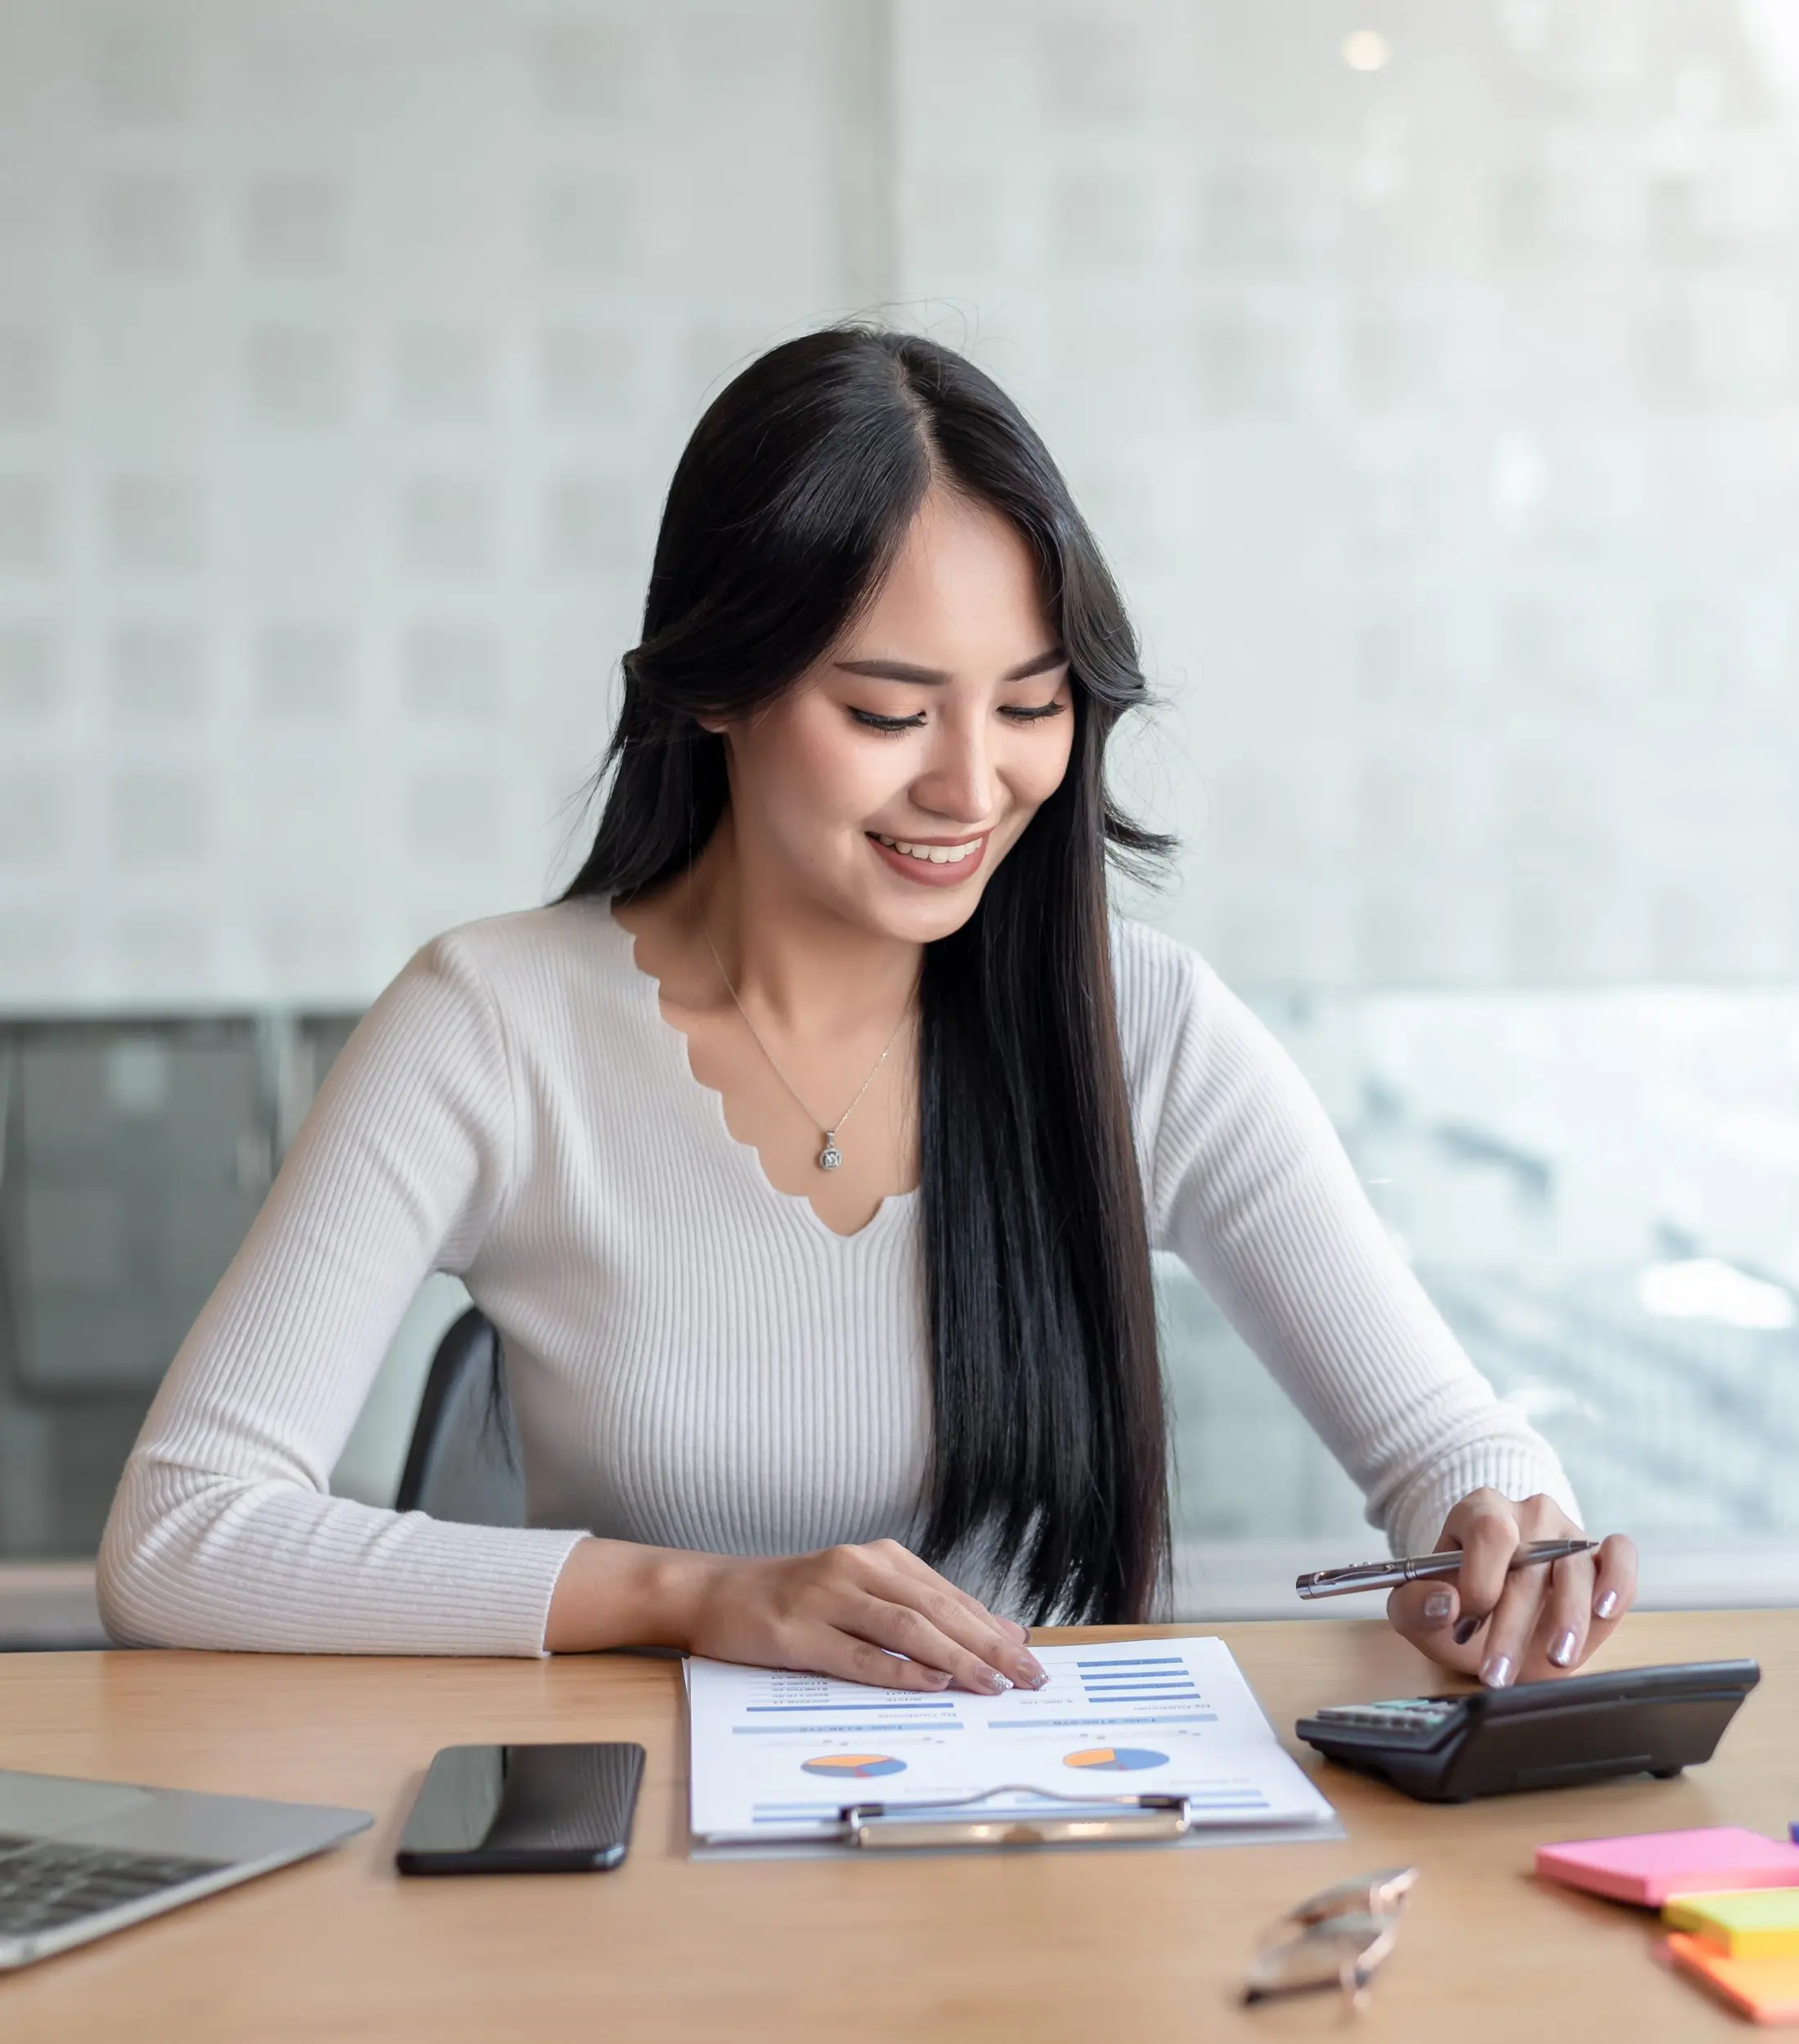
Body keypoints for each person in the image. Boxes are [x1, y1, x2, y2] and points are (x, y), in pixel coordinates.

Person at [99, 327, 1635, 1696]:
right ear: (716, 686)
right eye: (890, 713)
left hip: (1041, 1872)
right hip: (648, 1900)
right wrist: (692, 1597)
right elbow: (180, 1535)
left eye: (1032, 707)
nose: (973, 789)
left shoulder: (1145, 1031)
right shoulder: (492, 1028)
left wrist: (1507, 1535)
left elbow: (1453, 1449)